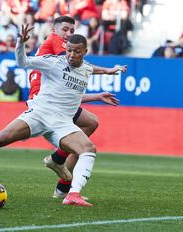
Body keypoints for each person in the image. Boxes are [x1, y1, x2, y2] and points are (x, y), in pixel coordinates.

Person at [0, 25, 125, 207]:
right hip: (39, 115)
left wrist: (108, 75)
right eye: (69, 50)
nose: (71, 55)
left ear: (85, 52)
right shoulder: (53, 62)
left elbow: (89, 73)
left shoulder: (86, 69)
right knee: (1, 138)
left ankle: (73, 195)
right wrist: (21, 44)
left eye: (77, 51)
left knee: (88, 149)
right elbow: (23, 62)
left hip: (63, 123)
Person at [27, 15, 126, 199]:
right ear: (54, 30)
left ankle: (62, 181)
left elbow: (77, 79)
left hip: (54, 96)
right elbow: (79, 60)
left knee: (90, 123)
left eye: (72, 30)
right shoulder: (57, 43)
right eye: (65, 29)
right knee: (85, 138)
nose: (68, 34)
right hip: (45, 101)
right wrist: (107, 70)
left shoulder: (59, 53)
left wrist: (97, 93)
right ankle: (60, 170)